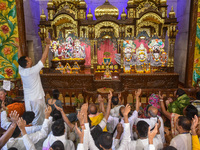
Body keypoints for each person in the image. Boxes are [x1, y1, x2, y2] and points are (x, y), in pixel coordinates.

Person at [16, 38, 51, 125]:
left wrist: (18, 48)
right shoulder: (33, 71)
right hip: (37, 98)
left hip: (28, 99)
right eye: (29, 58)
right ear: (27, 64)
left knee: (31, 117)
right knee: (39, 119)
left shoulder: (21, 70)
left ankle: (30, 130)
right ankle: (39, 132)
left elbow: (20, 59)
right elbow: (43, 58)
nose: (30, 58)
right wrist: (47, 45)